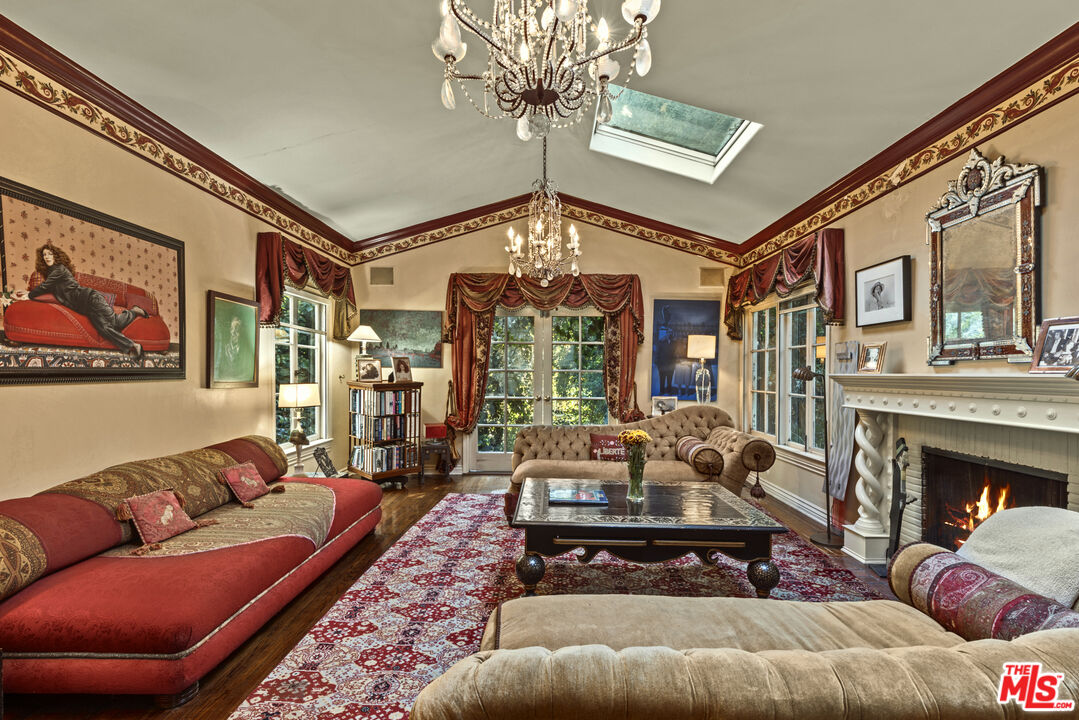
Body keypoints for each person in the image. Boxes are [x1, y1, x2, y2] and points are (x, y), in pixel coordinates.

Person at [11, 244, 147, 358]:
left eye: (49, 254)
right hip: (86, 307)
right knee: (115, 323)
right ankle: (134, 311)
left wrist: (29, 295)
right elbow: (46, 290)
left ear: (56, 256)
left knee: (105, 328)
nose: (46, 257)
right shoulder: (52, 273)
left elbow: (45, 287)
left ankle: (133, 346)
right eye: (44, 255)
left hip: (91, 299)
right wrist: (28, 293)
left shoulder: (59, 269)